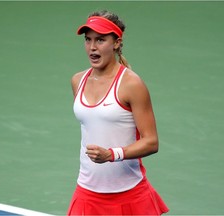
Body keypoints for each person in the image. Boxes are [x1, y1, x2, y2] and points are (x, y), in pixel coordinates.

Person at [67, 10, 169, 215]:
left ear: (116, 43)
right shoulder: (78, 81)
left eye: (100, 40)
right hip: (87, 192)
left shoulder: (132, 84)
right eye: (88, 40)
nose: (92, 47)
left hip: (129, 195)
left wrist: (112, 154)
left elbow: (151, 142)